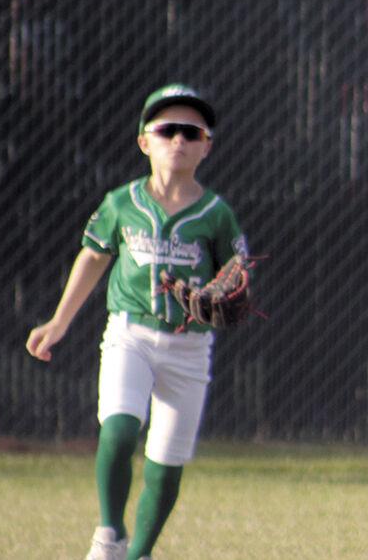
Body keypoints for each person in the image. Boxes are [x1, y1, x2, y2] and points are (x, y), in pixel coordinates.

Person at [25, 84, 249, 560]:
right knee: (119, 430)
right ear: (144, 141)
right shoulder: (122, 203)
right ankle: (108, 535)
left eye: (192, 132)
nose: (179, 140)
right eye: (167, 129)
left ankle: (138, 553)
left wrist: (229, 288)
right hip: (131, 334)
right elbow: (93, 257)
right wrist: (59, 322)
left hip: (189, 348)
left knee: (166, 465)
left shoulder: (216, 214)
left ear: (207, 146)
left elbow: (236, 274)